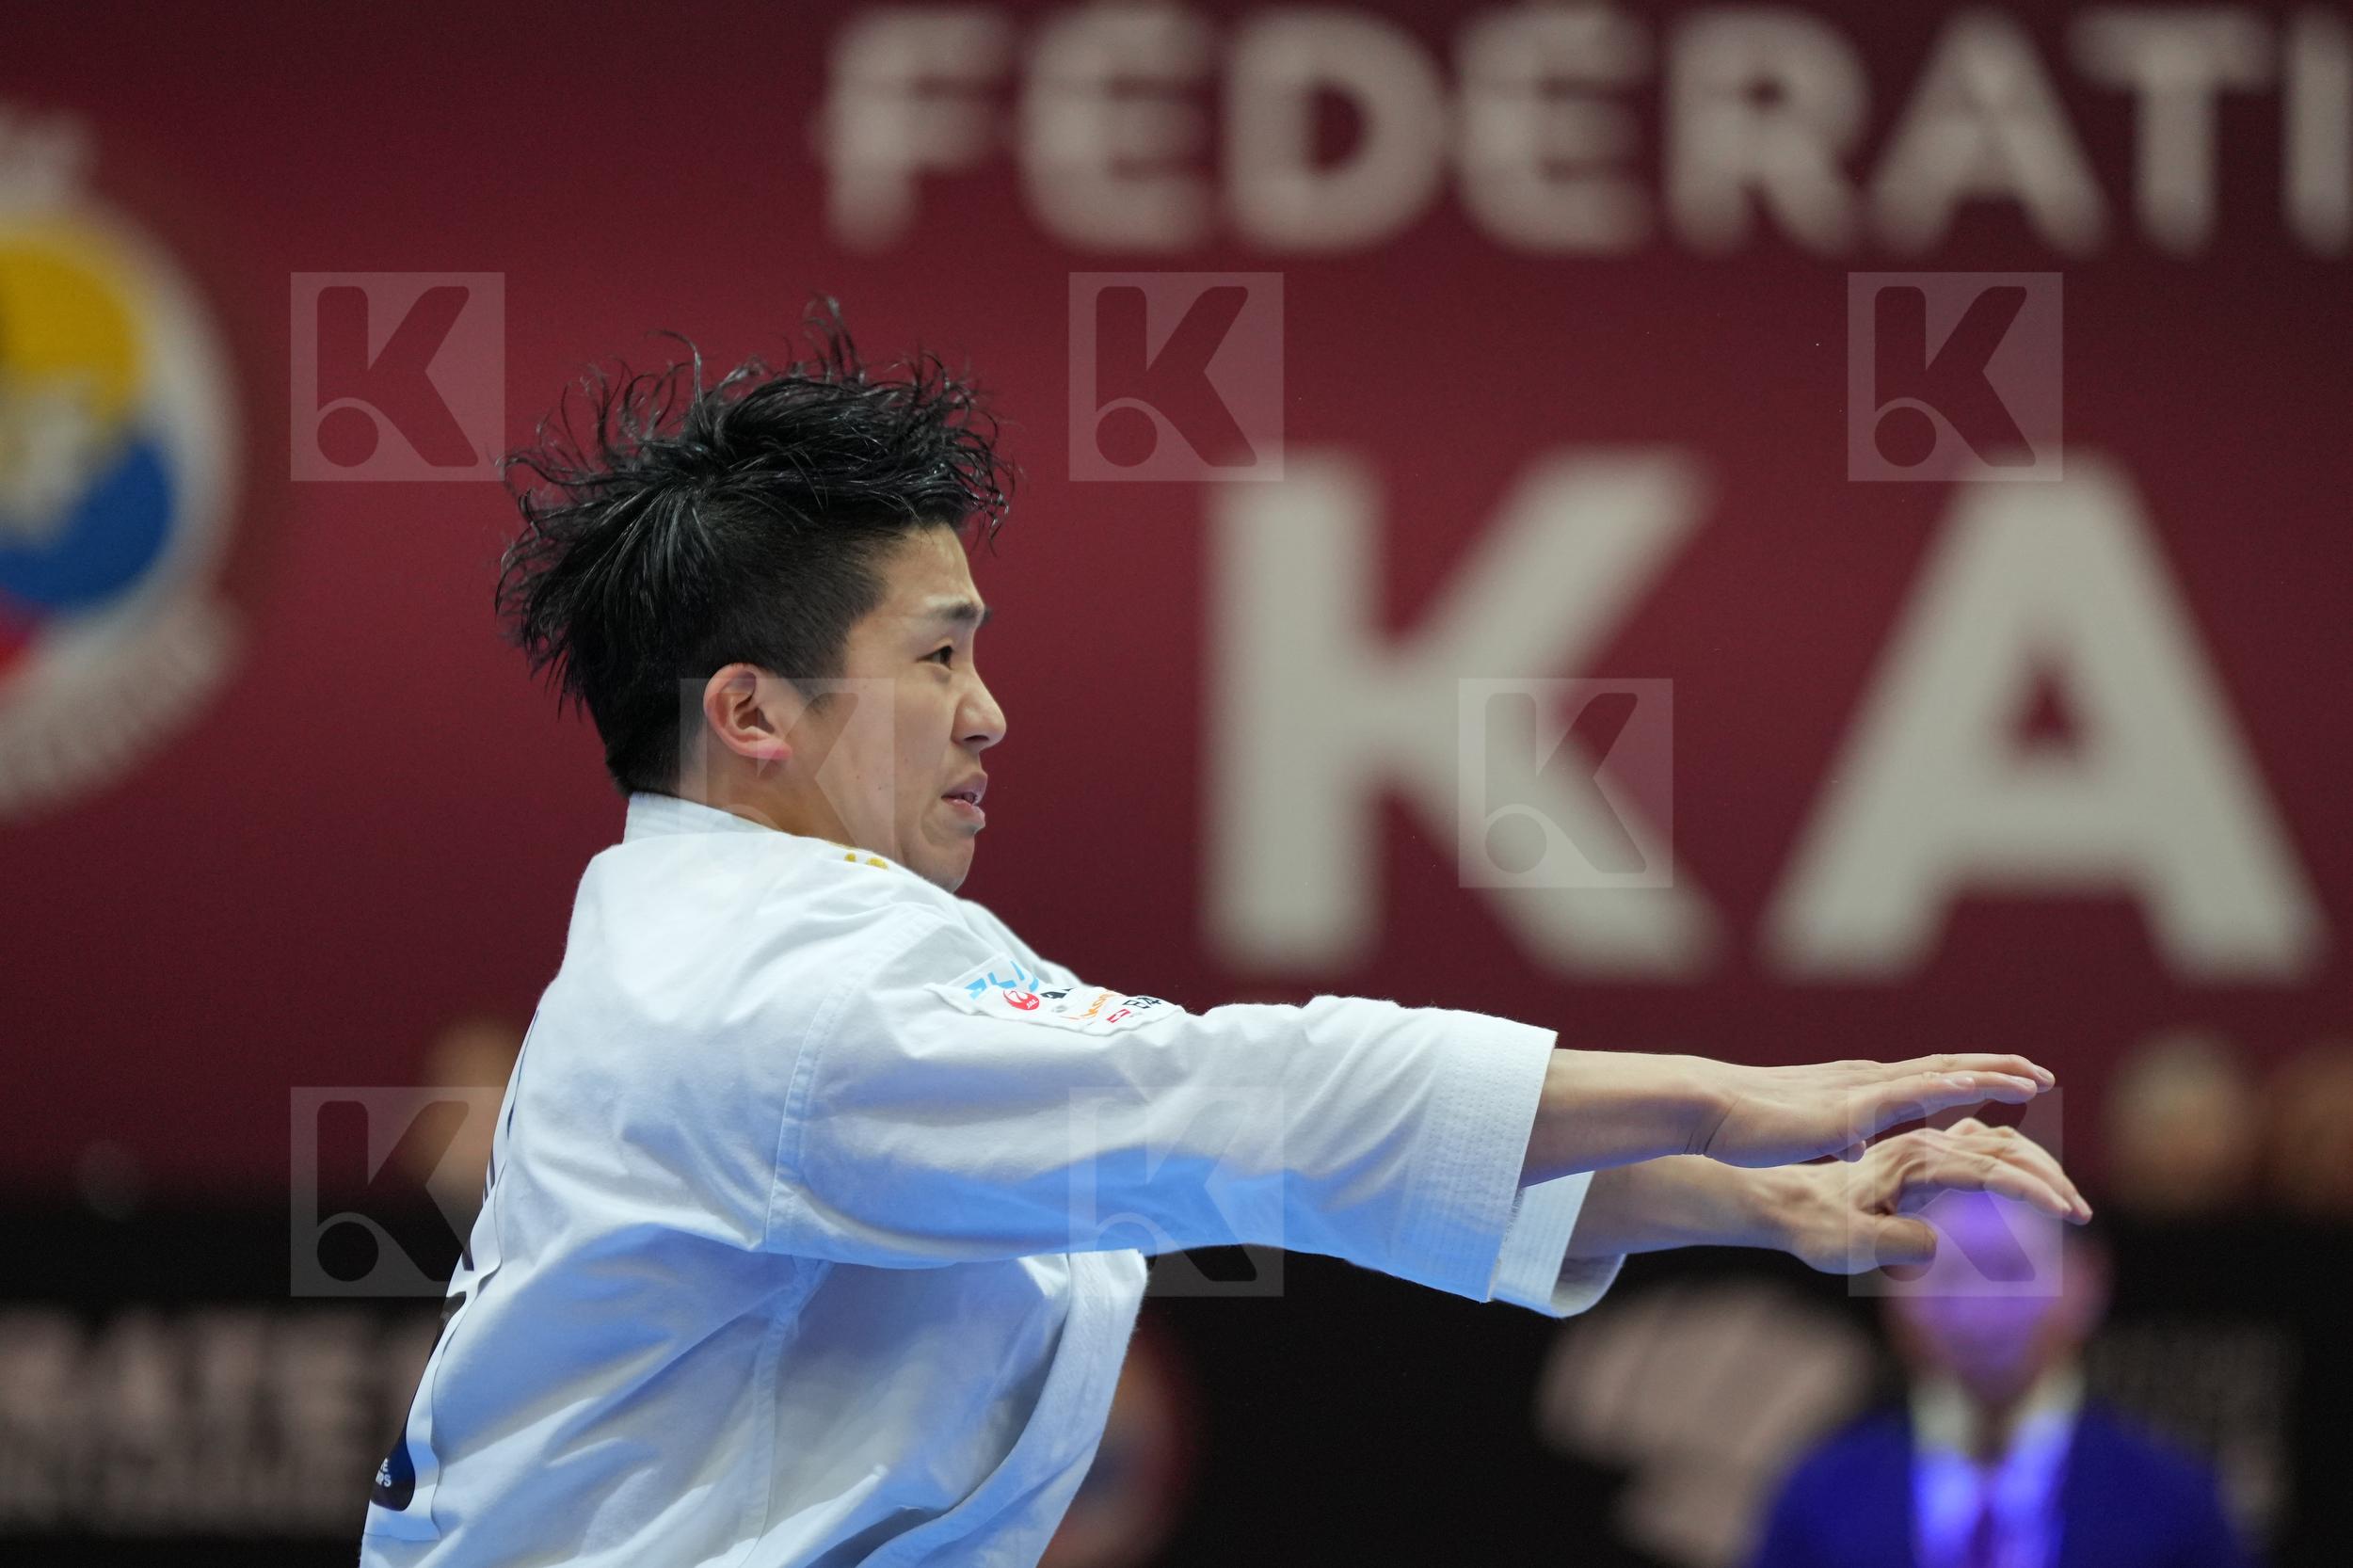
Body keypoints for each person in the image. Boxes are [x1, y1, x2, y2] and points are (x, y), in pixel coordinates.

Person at [358, 320, 2089, 1568]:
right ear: (748, 711)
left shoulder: (738, 941)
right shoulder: (778, 991)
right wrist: (1729, 1102)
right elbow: (1242, 1103)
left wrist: (1739, 1205)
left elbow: (1227, 1157)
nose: (991, 714)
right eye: (938, 656)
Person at [1752, 1195, 2244, 1568]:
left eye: (2007, 1269)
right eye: (1944, 1276)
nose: (1975, 1311)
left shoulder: (2171, 1502)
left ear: (2088, 1280)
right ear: (1892, 1291)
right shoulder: (1822, 1496)